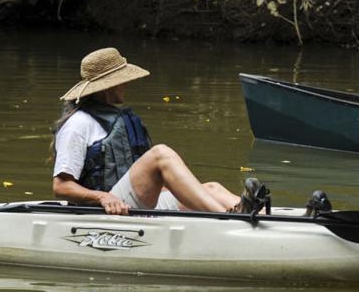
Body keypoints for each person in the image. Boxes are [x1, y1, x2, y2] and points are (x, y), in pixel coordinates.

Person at [52, 47, 267, 215]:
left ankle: (267, 217)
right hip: (103, 210)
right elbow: (61, 187)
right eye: (122, 81)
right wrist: (101, 197)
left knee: (212, 188)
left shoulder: (113, 117)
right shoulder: (78, 124)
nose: (126, 85)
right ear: (109, 86)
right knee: (160, 154)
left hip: (127, 201)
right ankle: (231, 219)